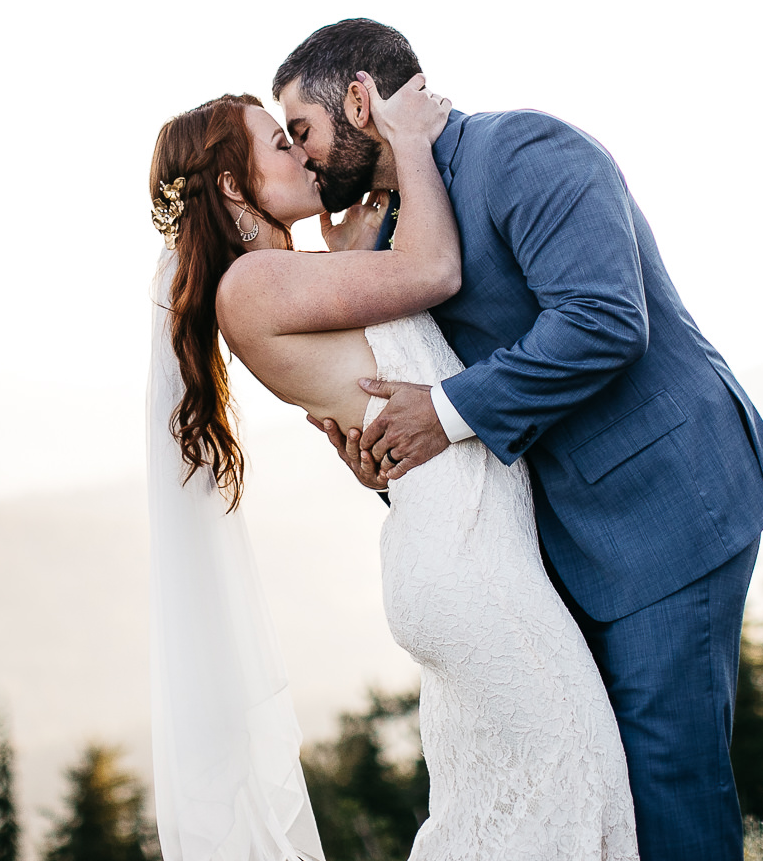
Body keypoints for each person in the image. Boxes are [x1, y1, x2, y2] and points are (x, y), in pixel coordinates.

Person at [279, 19, 763, 859]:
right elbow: (424, 388)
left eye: (300, 129)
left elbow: (603, 321)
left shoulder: (525, 151)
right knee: (599, 792)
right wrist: (386, 460)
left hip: (666, 504)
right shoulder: (392, 230)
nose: (299, 155)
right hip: (558, 544)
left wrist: (443, 410)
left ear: (359, 99)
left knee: (664, 779)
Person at [145, 75, 638, 861]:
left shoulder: (292, 277)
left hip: (465, 549)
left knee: (504, 815)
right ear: (236, 185)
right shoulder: (255, 284)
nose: (303, 154)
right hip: (465, 563)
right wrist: (409, 141)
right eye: (281, 142)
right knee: (574, 778)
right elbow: (436, 271)